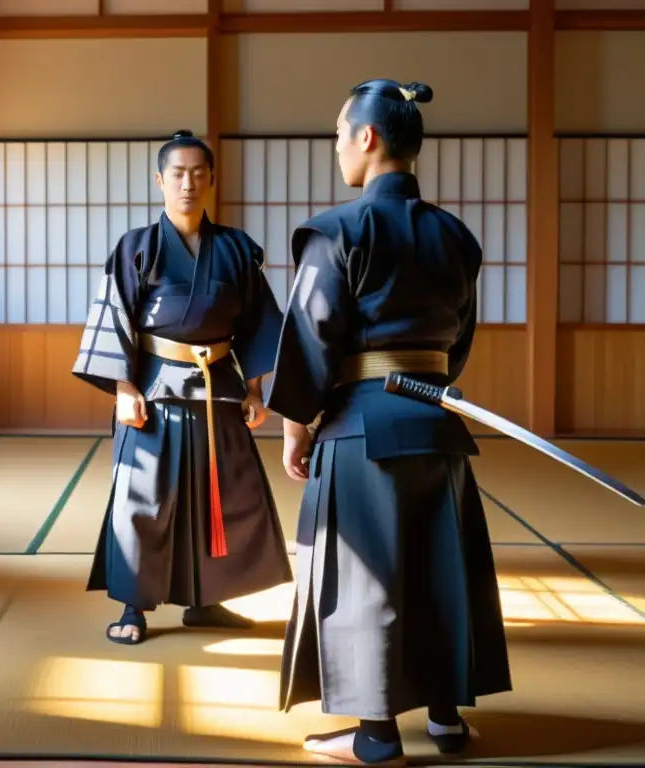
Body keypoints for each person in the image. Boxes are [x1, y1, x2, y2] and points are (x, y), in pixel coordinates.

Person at [265, 81, 512, 765]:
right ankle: (445, 721)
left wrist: (296, 427)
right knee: (439, 571)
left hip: (360, 430)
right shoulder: (454, 237)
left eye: (340, 134)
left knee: (367, 579)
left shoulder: (338, 230)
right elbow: (456, 343)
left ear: (367, 138)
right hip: (437, 422)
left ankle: (376, 738)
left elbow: (311, 335)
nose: (338, 147)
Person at [72, 129, 293, 646]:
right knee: (144, 501)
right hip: (152, 392)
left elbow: (260, 323)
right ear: (160, 180)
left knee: (221, 498)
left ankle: (206, 601)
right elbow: (114, 318)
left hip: (218, 393)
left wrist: (255, 391)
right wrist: (124, 387)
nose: (188, 184)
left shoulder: (237, 249)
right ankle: (133, 607)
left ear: (211, 180)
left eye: (198, 174)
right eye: (177, 174)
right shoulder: (137, 248)